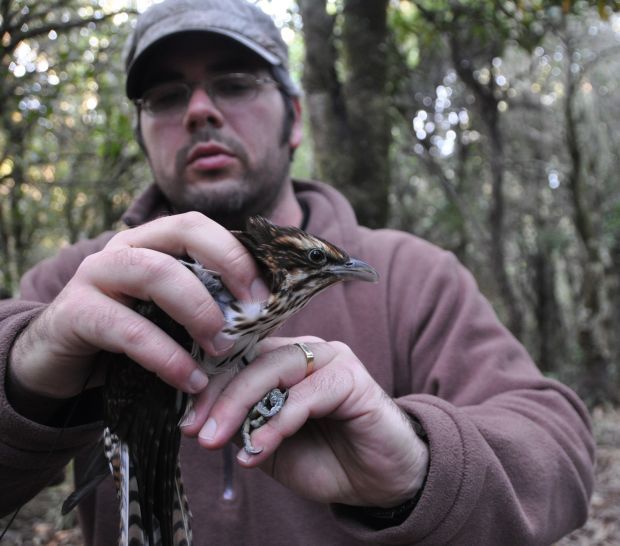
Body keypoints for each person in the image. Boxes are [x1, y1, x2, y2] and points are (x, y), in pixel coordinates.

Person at [0, 0, 595, 544]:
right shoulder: (72, 283)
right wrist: (24, 374)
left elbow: (557, 443)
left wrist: (417, 463)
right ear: (142, 130)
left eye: (234, 84)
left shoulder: (416, 275)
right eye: (166, 96)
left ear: (295, 118)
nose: (201, 111)